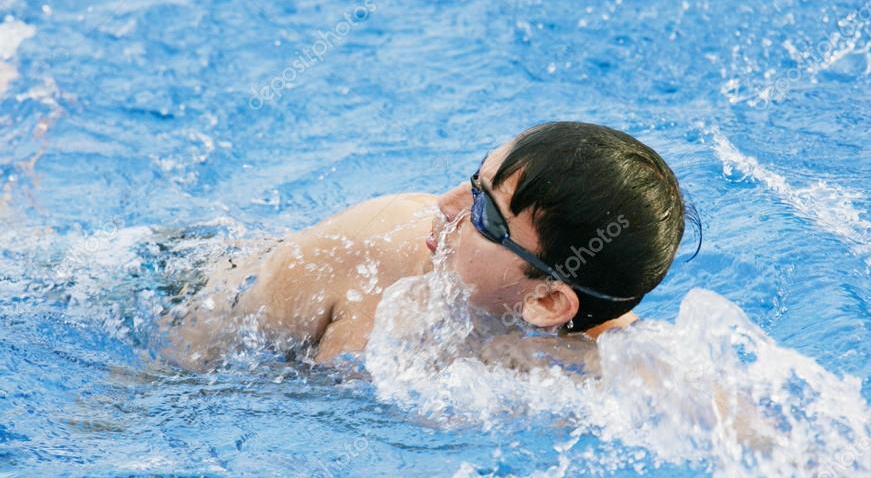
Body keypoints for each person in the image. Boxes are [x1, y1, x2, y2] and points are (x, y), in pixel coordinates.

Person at [162, 121, 699, 370]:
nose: (445, 205)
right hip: (176, 287)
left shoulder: (603, 359)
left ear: (547, 303)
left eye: (485, 213)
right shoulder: (363, 251)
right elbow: (180, 363)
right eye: (473, 182)